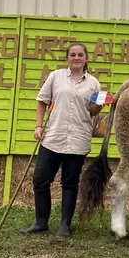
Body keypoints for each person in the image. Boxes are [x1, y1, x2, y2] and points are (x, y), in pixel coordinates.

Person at [19, 42, 103, 238]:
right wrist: (39, 126)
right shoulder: (55, 76)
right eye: (72, 54)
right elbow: (42, 101)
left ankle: (65, 225)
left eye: (80, 54)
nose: (76, 58)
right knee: (40, 180)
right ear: (68, 58)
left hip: (78, 139)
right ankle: (41, 222)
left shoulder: (93, 83)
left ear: (86, 58)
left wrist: (99, 105)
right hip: (53, 137)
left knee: (70, 183)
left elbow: (93, 111)